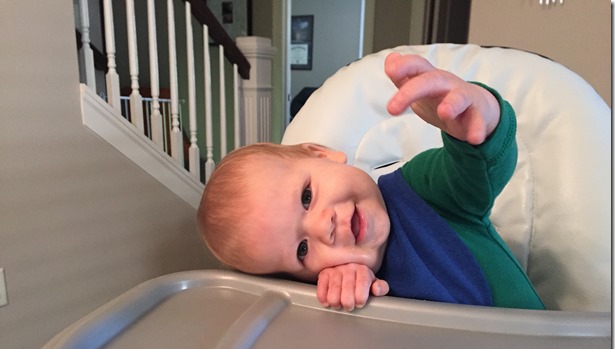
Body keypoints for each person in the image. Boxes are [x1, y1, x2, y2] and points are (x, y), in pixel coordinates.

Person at [197, 52, 545, 312]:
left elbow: (477, 169)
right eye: (302, 250)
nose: (323, 227)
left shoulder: (422, 191)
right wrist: (343, 301)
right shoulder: (336, 286)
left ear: (322, 154)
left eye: (306, 196)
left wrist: (475, 122)